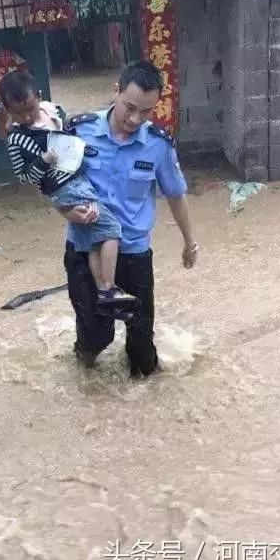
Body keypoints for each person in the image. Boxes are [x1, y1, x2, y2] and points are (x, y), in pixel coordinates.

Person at [60, 59, 199, 378]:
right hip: (84, 251)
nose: (135, 119)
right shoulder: (79, 131)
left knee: (142, 350)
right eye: (130, 107)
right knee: (95, 336)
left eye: (146, 112)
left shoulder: (158, 146)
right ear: (116, 91)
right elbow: (56, 183)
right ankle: (81, 380)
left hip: (134, 255)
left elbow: (176, 195)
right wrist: (67, 211)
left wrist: (189, 242)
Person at [0, 70, 139, 314]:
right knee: (112, 230)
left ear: (39, 97)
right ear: (6, 109)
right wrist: (43, 162)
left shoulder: (54, 111)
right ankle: (108, 289)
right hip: (66, 188)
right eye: (17, 113)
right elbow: (24, 177)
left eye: (30, 109)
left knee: (95, 240)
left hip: (79, 181)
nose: (26, 116)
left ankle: (104, 294)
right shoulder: (16, 139)